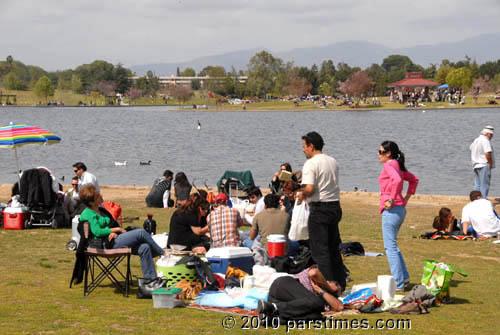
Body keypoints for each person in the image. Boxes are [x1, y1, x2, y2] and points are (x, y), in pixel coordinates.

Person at [78, 185, 165, 280]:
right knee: (141, 232)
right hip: (104, 244)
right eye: (98, 196)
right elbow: (97, 232)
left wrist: (113, 232)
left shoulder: (100, 210)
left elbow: (110, 225)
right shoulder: (88, 213)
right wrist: (116, 230)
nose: (101, 195)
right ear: (92, 202)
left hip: (114, 239)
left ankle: (150, 280)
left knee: (145, 247)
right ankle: (162, 252)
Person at [299, 131, 346, 291]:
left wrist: (301, 193)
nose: (303, 150)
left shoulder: (311, 163)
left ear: (311, 146)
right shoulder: (332, 161)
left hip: (320, 208)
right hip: (334, 206)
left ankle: (329, 285)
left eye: (304, 147)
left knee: (320, 251)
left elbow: (310, 188)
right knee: (333, 248)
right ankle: (340, 282)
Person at [377, 141, 418, 291]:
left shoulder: (389, 165)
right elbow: (414, 179)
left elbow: (398, 180)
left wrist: (391, 199)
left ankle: (399, 284)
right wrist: (406, 197)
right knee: (393, 245)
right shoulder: (397, 165)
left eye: (380, 151)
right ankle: (404, 277)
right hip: (399, 210)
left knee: (390, 247)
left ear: (388, 153)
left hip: (392, 209)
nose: (378, 154)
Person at [258, 266, 343, 321]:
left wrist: (321, 291)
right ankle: (274, 308)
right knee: (317, 303)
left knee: (316, 316)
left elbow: (339, 306)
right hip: (283, 286)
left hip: (283, 302)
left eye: (335, 294)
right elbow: (313, 273)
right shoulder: (318, 278)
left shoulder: (323, 298)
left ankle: (272, 319)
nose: (333, 292)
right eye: (336, 286)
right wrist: (328, 287)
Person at [470, 126, 495, 198]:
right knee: (484, 184)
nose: (491, 137)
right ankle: (483, 199)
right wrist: (490, 163)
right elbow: (488, 153)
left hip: (476, 164)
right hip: (484, 164)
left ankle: (475, 199)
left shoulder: (476, 140)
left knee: (477, 184)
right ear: (487, 134)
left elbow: (471, 148)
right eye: (491, 135)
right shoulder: (485, 140)